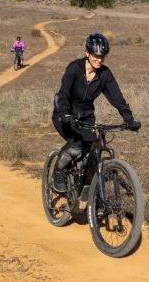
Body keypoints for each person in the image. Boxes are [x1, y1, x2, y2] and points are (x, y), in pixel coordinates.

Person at [51, 32, 140, 192]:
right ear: (87, 54)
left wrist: (129, 119)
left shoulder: (104, 74)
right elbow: (63, 94)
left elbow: (117, 98)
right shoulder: (74, 68)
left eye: (102, 57)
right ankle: (58, 172)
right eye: (95, 56)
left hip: (86, 117)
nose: (99, 60)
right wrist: (65, 114)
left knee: (93, 147)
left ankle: (89, 194)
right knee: (77, 144)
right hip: (64, 114)